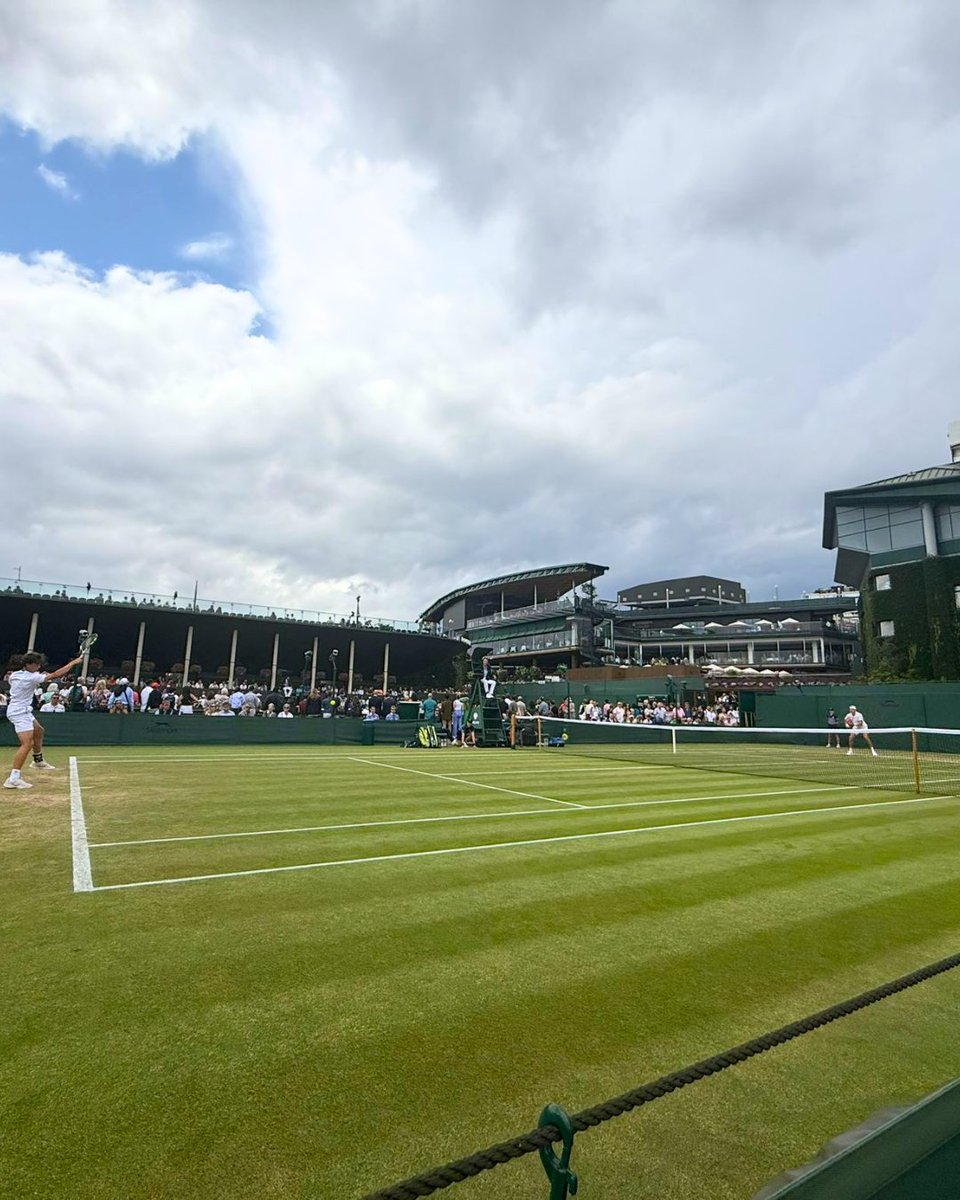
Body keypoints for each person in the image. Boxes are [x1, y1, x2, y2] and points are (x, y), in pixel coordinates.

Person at [4, 649, 84, 789]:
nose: (39, 667)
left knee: (39, 731)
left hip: (23, 710)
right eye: (36, 664)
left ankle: (37, 761)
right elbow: (56, 674)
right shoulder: (32, 677)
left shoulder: (15, 675)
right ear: (29, 665)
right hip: (19, 712)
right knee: (27, 744)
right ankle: (13, 778)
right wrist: (74, 662)